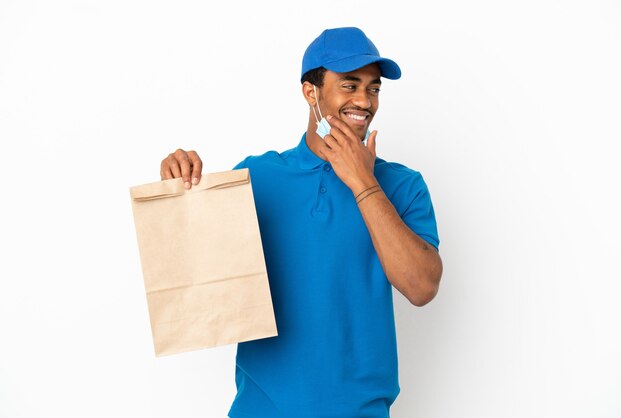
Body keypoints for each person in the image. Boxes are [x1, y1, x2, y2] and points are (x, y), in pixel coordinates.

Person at [160, 27, 443, 418]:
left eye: (373, 89)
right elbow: (196, 283)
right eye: (349, 85)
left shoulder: (403, 185)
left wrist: (364, 182)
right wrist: (179, 194)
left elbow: (422, 286)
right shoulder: (256, 177)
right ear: (311, 93)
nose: (364, 100)